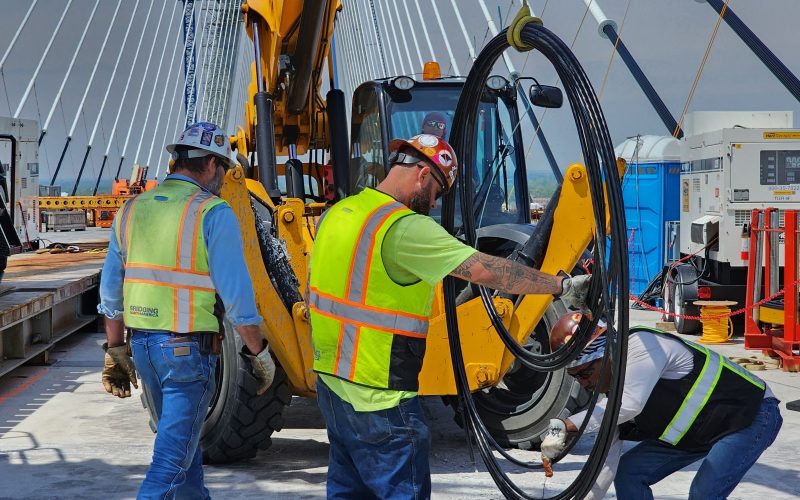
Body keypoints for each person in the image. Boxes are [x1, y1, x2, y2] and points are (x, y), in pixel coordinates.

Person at [308, 133, 592, 499]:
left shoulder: (338, 214)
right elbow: (488, 271)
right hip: (380, 399)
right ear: (423, 175)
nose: (434, 202)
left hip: (333, 388)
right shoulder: (405, 227)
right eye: (437, 192)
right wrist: (559, 286)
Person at [98, 122, 276, 499]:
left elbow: (111, 290)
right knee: (170, 463)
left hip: (144, 349)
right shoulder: (213, 212)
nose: (224, 180)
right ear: (210, 163)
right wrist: (257, 352)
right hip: (186, 355)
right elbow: (238, 296)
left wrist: (115, 350)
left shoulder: (131, 209)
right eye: (225, 170)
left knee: (186, 451)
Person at [541, 312, 783, 500]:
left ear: (602, 356)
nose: (583, 384)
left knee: (704, 493)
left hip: (749, 415)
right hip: (701, 431)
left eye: (583, 374)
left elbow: (630, 405)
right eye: (575, 378)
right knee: (629, 472)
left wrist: (566, 425)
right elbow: (606, 464)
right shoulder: (611, 393)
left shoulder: (642, 346)